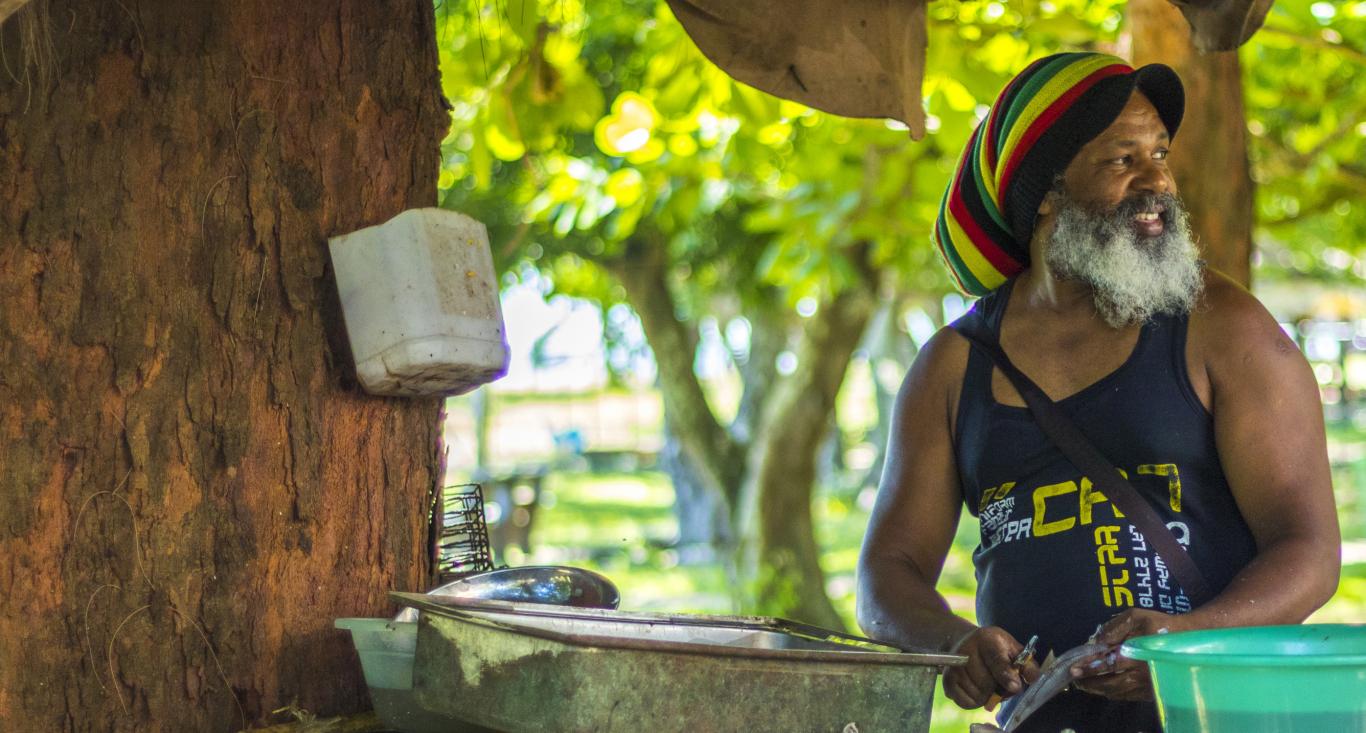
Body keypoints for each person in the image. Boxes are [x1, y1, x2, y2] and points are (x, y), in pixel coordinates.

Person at [856, 52, 1341, 732]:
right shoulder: (952, 366)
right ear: (1046, 192)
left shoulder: (1223, 329)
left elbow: (1310, 551)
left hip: (1213, 718)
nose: (1159, 182)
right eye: (1123, 161)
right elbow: (886, 573)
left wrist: (1190, 640)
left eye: (1160, 154)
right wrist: (953, 638)